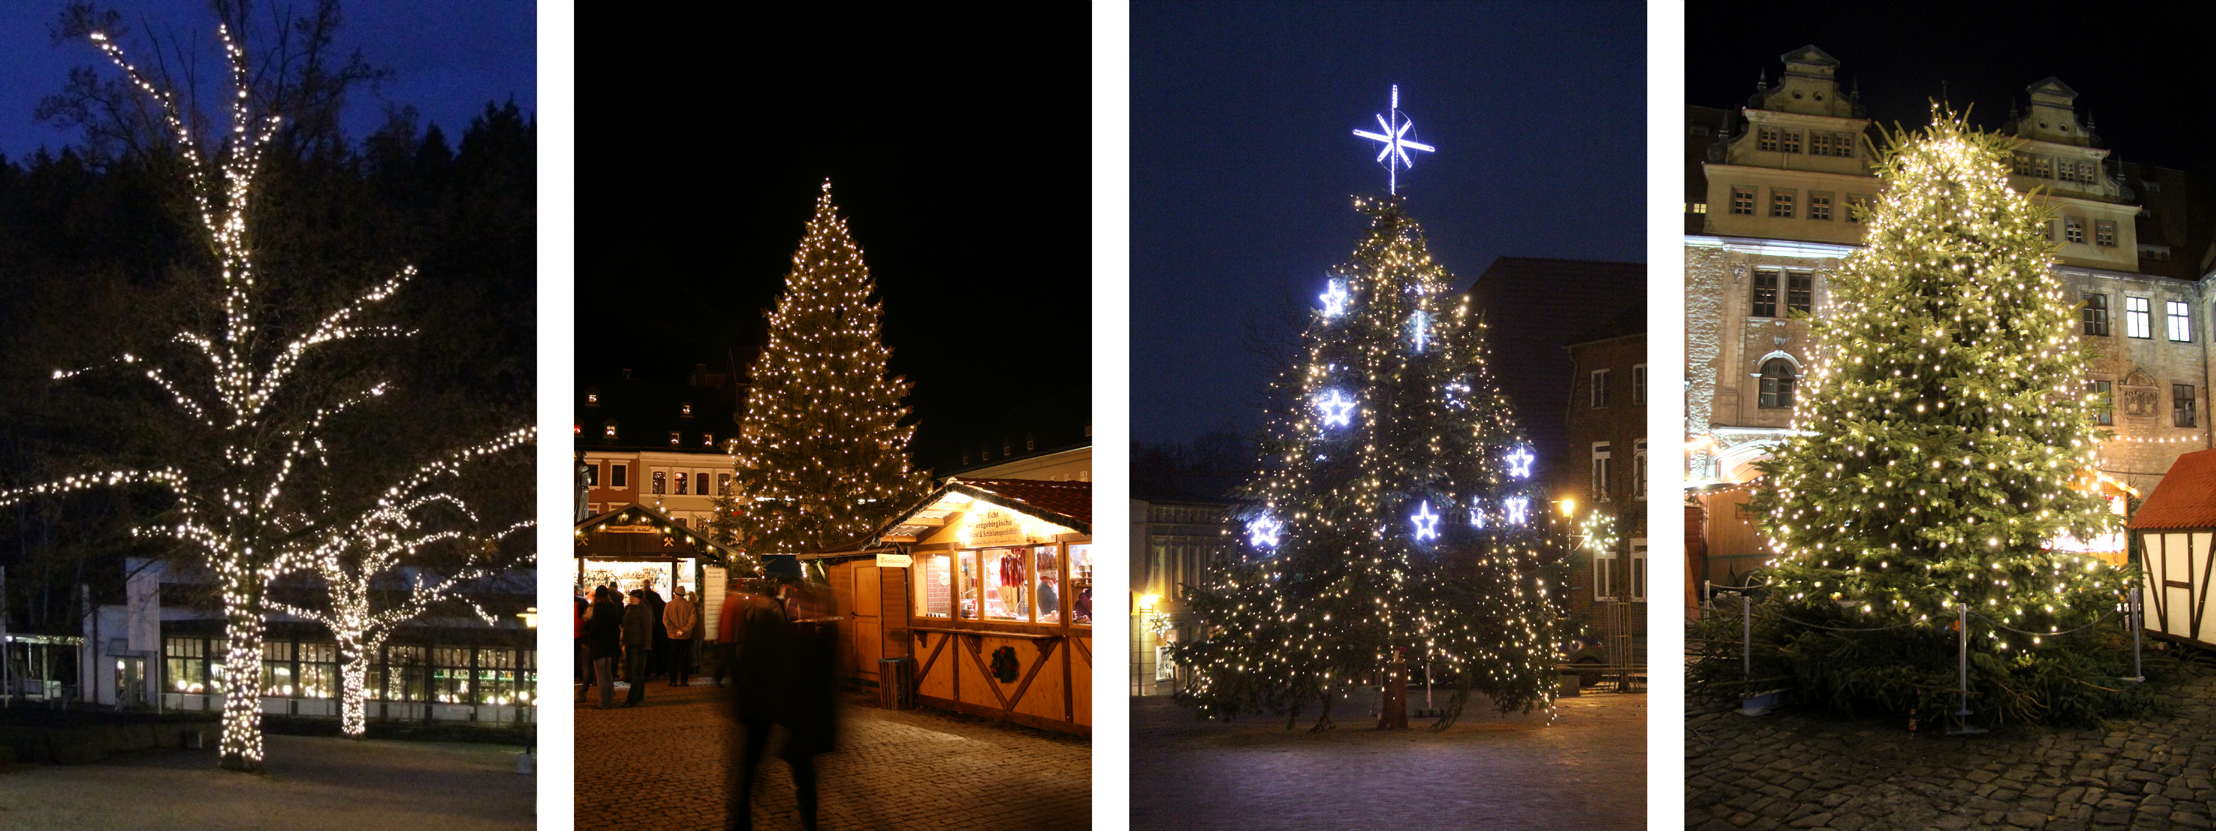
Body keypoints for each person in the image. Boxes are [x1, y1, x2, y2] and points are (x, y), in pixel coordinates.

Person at [583, 587, 621, 707]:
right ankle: (610, 700)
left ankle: (602, 701)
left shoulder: (598, 607)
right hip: (609, 645)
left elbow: (595, 625)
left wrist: (590, 637)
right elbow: (615, 627)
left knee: (600, 675)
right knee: (608, 674)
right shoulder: (611, 606)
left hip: (599, 644)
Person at [621, 589, 654, 706]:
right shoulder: (629, 608)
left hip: (639, 645)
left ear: (638, 598)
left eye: (632, 597)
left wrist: (647, 645)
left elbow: (647, 629)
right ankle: (639, 697)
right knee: (636, 673)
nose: (630, 598)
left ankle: (632, 698)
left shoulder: (644, 610)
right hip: (630, 643)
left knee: (636, 672)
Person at [663, 585, 699, 686]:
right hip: (685, 636)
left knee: (673, 658)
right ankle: (684, 680)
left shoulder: (669, 605)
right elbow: (693, 620)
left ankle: (673, 680)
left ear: (675, 594)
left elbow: (665, 620)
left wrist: (674, 630)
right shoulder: (689, 605)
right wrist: (683, 630)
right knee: (684, 658)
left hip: (672, 636)